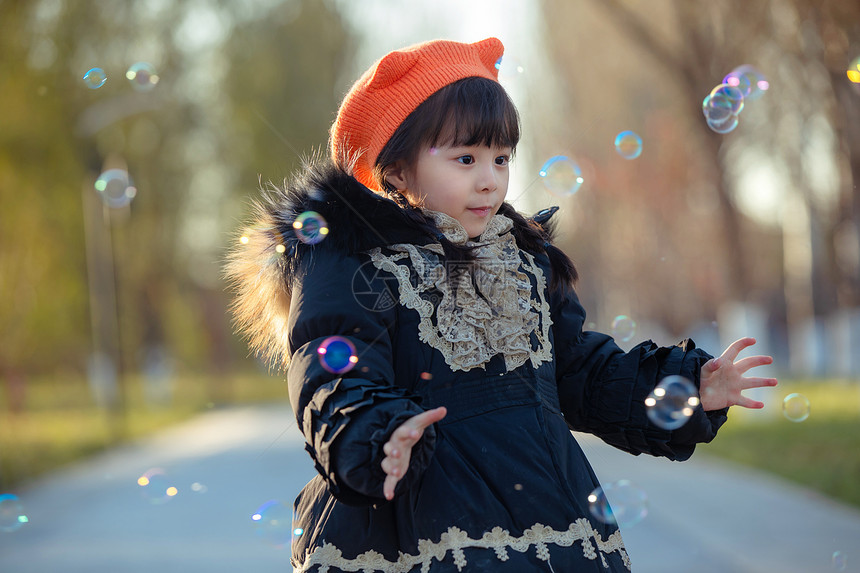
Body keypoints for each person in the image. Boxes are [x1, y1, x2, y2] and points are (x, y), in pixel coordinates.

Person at [225, 37, 778, 572]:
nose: (490, 181)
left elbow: (581, 371)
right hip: (418, 524)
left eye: (501, 158)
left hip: (540, 521)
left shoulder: (523, 263)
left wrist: (682, 389)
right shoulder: (358, 265)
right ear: (395, 171)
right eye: (465, 160)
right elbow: (332, 372)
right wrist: (377, 436)